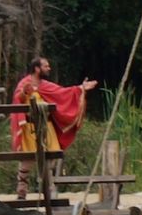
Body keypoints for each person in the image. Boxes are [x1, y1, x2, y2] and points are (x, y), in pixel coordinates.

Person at [9, 57, 97, 199]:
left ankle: (49, 192)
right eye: (45, 66)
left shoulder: (46, 85)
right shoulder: (24, 83)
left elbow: (63, 93)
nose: (49, 68)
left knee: (49, 160)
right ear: (37, 68)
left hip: (46, 127)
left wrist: (80, 88)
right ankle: (21, 192)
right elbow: (18, 99)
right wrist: (25, 92)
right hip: (30, 128)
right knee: (26, 161)